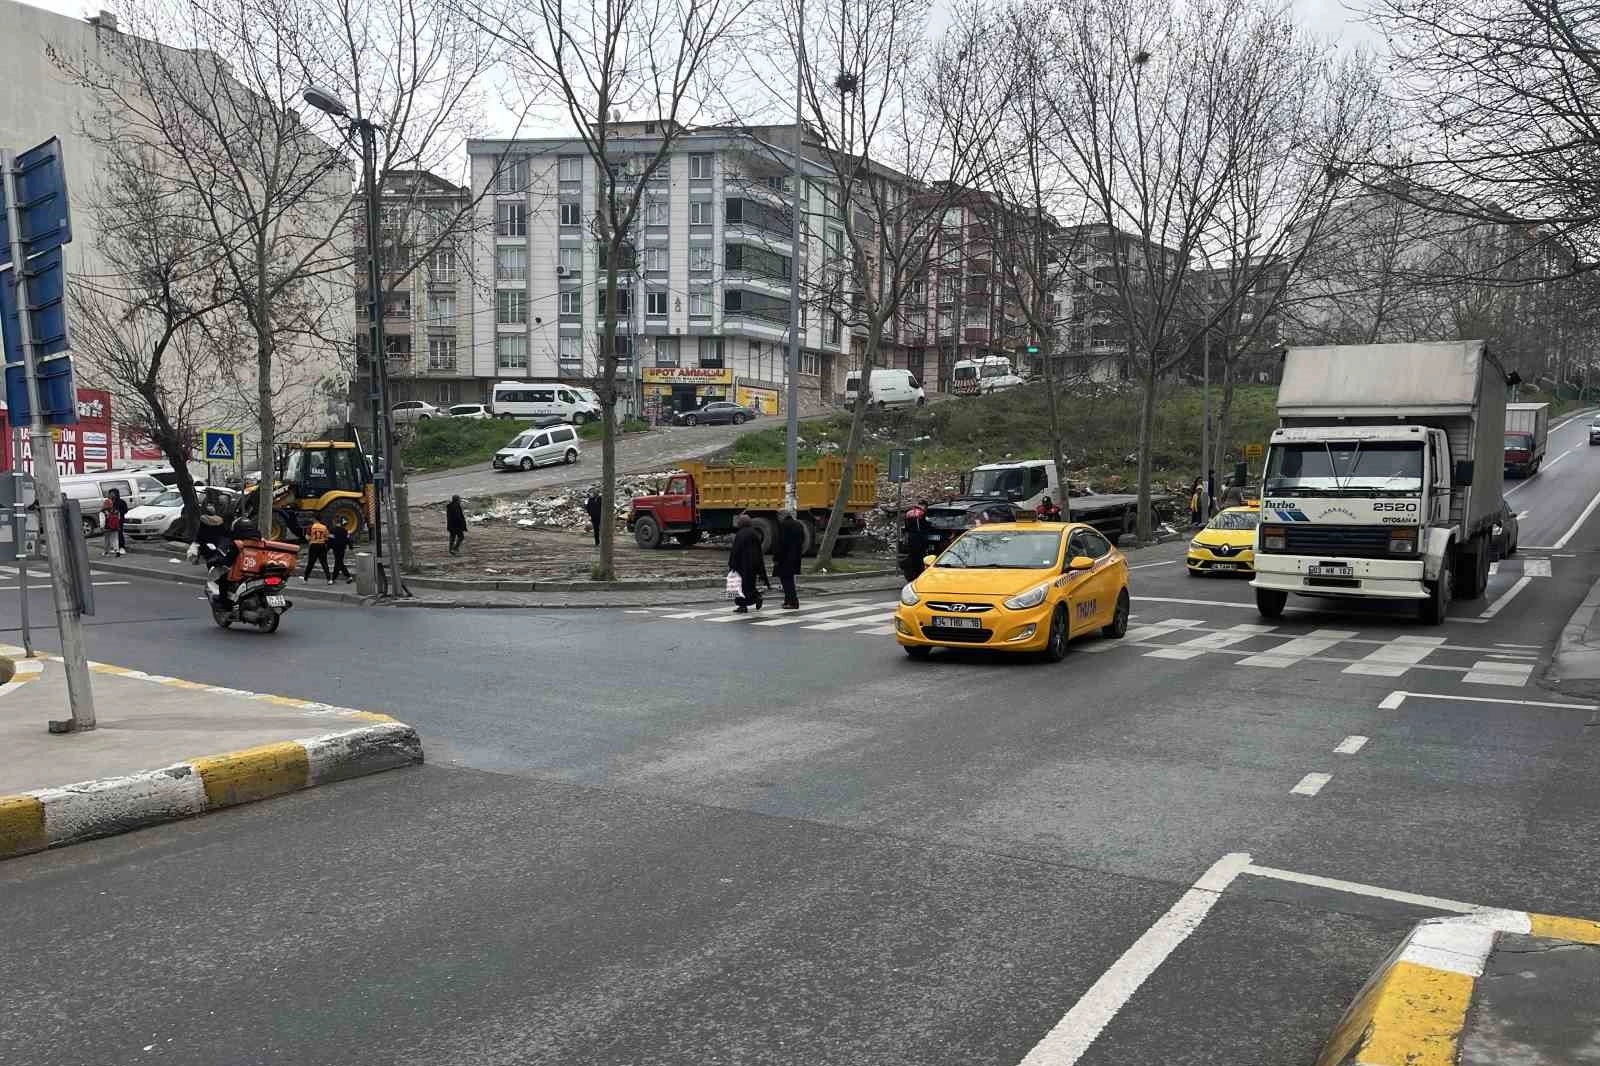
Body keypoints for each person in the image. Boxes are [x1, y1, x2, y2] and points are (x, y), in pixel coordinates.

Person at [727, 512, 768, 613]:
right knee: (749, 585)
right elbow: (759, 550)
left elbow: (736, 550)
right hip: (753, 564)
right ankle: (755, 597)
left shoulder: (740, 534)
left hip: (742, 564)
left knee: (739, 586)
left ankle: (743, 605)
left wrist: (732, 563)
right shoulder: (754, 533)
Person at [773, 509, 806, 610]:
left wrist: (776, 558)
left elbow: (780, 543)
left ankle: (792, 602)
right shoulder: (798, 525)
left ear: (782, 516)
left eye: (778, 517)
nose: (778, 519)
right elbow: (803, 539)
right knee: (789, 579)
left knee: (786, 581)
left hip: (784, 558)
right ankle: (788, 601)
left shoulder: (783, 526)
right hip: (795, 557)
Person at [901, 501, 931, 582]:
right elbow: (925, 526)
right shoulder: (921, 513)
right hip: (919, 537)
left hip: (911, 537)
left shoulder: (909, 513)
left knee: (913, 556)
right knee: (921, 556)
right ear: (924, 506)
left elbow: (906, 527)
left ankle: (911, 574)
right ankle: (919, 574)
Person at [303, 517, 332, 582]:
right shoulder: (324, 527)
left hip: (313, 545)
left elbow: (307, 537)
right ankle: (329, 579)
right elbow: (327, 537)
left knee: (311, 563)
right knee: (324, 563)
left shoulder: (311, 526)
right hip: (322, 545)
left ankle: (305, 578)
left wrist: (311, 539)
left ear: (314, 520)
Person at [99, 489, 123, 557]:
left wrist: (102, 527)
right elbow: (118, 518)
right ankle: (117, 551)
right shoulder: (115, 510)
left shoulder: (102, 512)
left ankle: (106, 552)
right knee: (115, 539)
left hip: (107, 527)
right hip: (115, 526)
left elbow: (102, 521)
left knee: (107, 539)